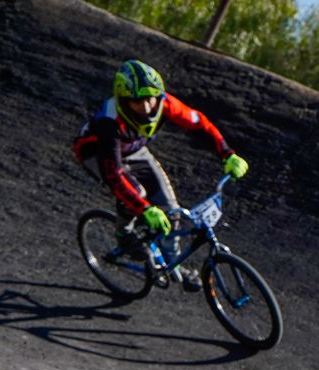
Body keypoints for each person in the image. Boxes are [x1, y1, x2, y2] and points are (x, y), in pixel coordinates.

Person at [73, 59, 248, 292]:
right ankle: (123, 234)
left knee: (170, 208)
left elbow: (199, 123)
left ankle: (175, 266)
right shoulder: (109, 122)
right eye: (138, 101)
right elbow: (113, 175)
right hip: (97, 154)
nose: (146, 107)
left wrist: (227, 154)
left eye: (150, 99)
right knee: (137, 194)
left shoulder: (165, 103)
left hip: (134, 149)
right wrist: (145, 208)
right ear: (124, 99)